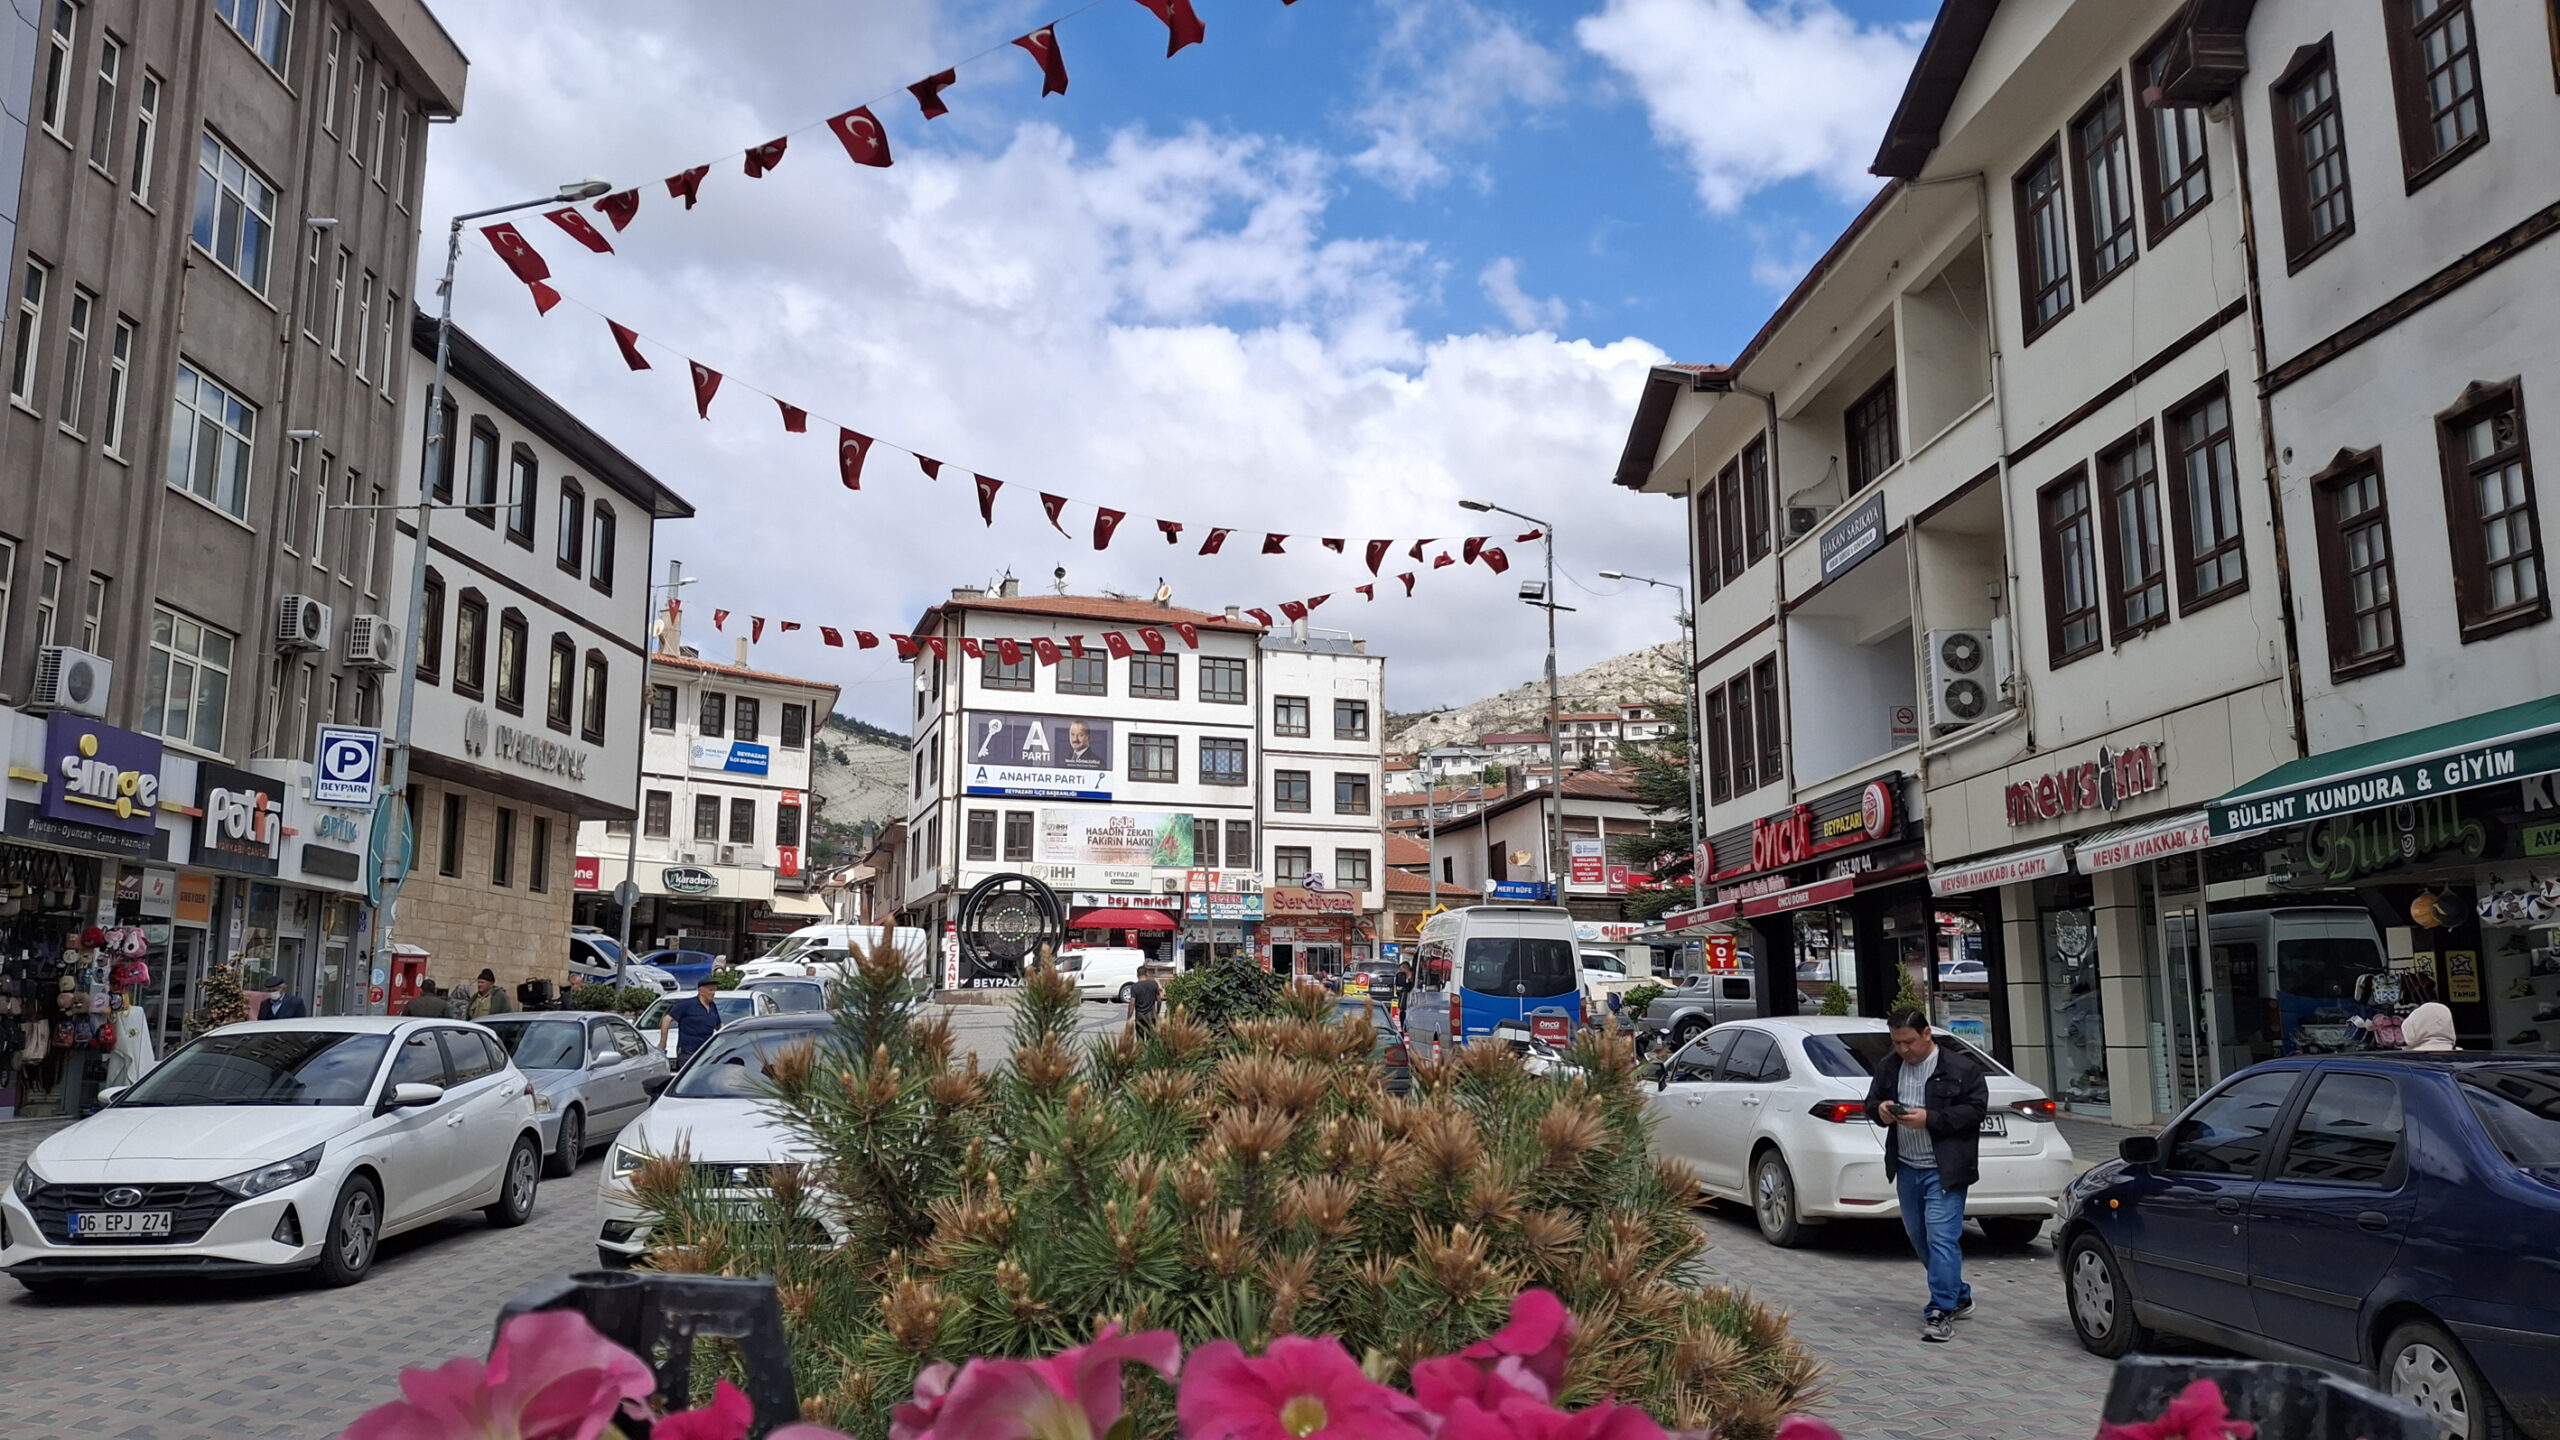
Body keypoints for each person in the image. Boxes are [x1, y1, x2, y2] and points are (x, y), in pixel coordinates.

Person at [1862, 1007, 1989, 1343]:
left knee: (1941, 1237)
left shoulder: (1961, 1068)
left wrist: (1930, 1118)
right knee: (1920, 1238)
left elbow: (1975, 1110)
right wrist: (1881, 1111)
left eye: (1909, 1042)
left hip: (1945, 1169)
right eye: (1897, 1042)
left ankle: (1940, 1310)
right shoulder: (1890, 1066)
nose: (1903, 1049)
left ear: (1927, 1034)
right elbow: (1872, 1102)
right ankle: (1959, 1294)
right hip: (1907, 1166)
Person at [661, 977, 725, 1062]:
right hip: (688, 1054)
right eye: (710, 990)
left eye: (714, 990)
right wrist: (663, 1042)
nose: (713, 993)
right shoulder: (687, 1005)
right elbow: (666, 1019)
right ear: (700, 991)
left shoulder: (712, 1006)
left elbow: (718, 1026)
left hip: (706, 1054)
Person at [1127, 964, 1164, 1035]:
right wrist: (1157, 1012)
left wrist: (1129, 1017)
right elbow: (1159, 1000)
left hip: (1140, 1017)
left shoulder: (1134, 987)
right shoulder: (1154, 984)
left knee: (1140, 1039)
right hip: (1151, 1016)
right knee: (1151, 1038)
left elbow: (1132, 1003)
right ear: (1146, 973)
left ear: (1137, 975)